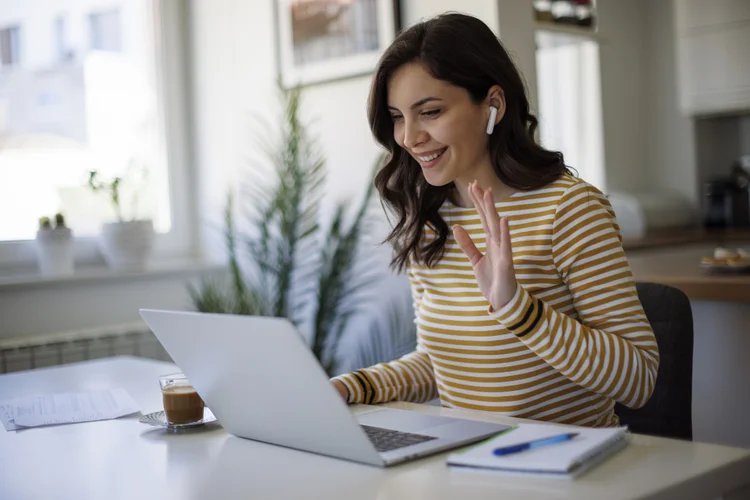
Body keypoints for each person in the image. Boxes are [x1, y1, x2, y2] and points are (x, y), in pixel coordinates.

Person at [331, 12, 659, 427]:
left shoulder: (569, 210)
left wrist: (517, 309)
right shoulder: (430, 219)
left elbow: (640, 379)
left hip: (565, 470)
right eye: (397, 116)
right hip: (467, 466)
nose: (409, 137)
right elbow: (444, 363)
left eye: (429, 112)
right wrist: (349, 387)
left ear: (493, 104)